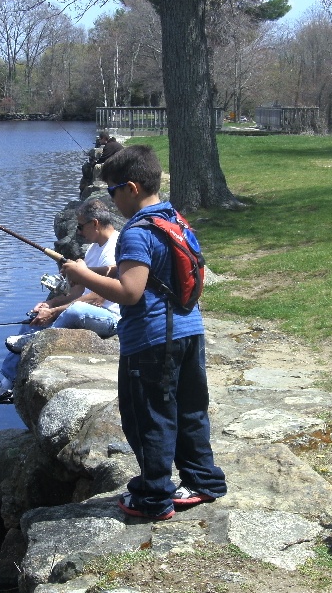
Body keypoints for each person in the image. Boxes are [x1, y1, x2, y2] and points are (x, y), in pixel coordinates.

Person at [60, 145, 227, 520]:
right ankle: (203, 481)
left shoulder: (135, 232)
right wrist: (106, 273)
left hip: (151, 343)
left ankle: (153, 496)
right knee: (190, 411)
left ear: (131, 188)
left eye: (113, 191)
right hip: (189, 331)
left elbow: (131, 294)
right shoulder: (174, 220)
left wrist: (81, 274)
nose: (111, 201)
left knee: (148, 417)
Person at [0, 198, 121, 405]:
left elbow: (98, 297)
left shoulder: (115, 249)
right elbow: (78, 290)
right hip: (84, 310)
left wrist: (56, 311)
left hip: (111, 318)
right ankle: (7, 385)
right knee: (34, 317)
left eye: (80, 226)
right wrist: (49, 305)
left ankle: (38, 341)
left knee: (74, 310)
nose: (78, 232)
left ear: (95, 223)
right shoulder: (92, 249)